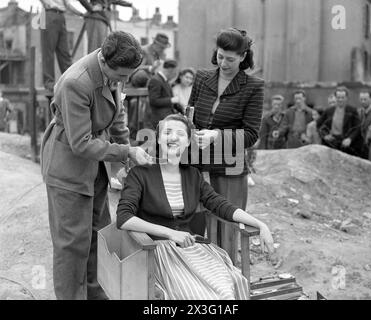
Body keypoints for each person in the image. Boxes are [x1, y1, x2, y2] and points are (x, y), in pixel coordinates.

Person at [40, 31, 153, 300]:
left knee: (95, 237)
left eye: (128, 75)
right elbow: (81, 143)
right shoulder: (76, 83)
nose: (125, 81)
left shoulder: (115, 73)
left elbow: (118, 117)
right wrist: (127, 151)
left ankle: (95, 293)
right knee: (71, 246)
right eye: (122, 75)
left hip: (96, 169)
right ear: (103, 60)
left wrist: (128, 158)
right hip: (69, 167)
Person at [116, 114, 274, 300]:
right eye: (167, 132)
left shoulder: (192, 175)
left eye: (180, 134)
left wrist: (260, 224)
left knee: (232, 283)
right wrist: (170, 233)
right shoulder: (140, 173)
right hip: (156, 252)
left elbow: (221, 205)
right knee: (198, 295)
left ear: (188, 142)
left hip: (191, 249)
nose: (173, 137)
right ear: (158, 139)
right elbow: (124, 217)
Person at [188, 28, 264, 262]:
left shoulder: (253, 87)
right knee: (191, 222)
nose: (224, 63)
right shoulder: (201, 77)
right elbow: (189, 113)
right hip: (195, 161)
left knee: (226, 225)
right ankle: (192, 270)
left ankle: (224, 275)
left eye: (230, 59)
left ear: (243, 56)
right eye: (220, 56)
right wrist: (187, 129)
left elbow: (251, 134)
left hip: (230, 164)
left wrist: (216, 136)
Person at [39, 0, 83, 91]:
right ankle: (49, 82)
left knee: (64, 52)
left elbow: (67, 4)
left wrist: (81, 14)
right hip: (47, 14)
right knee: (48, 51)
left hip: (61, 16)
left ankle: (70, 79)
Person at [317, 87, 361, 156]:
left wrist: (350, 138)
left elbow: (357, 127)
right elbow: (318, 124)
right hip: (331, 143)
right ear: (335, 97)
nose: (340, 100)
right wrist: (325, 135)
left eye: (342, 97)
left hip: (347, 144)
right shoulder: (329, 111)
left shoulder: (352, 111)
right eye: (338, 97)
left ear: (346, 98)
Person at [147, 59, 183, 129]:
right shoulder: (155, 80)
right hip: (160, 118)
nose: (175, 75)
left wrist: (182, 110)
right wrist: (171, 100)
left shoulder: (165, 80)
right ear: (170, 70)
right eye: (175, 72)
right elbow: (153, 101)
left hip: (168, 116)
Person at [357, 91, 371, 159]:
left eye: (365, 99)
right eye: (361, 99)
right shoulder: (358, 112)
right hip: (359, 146)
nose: (363, 101)